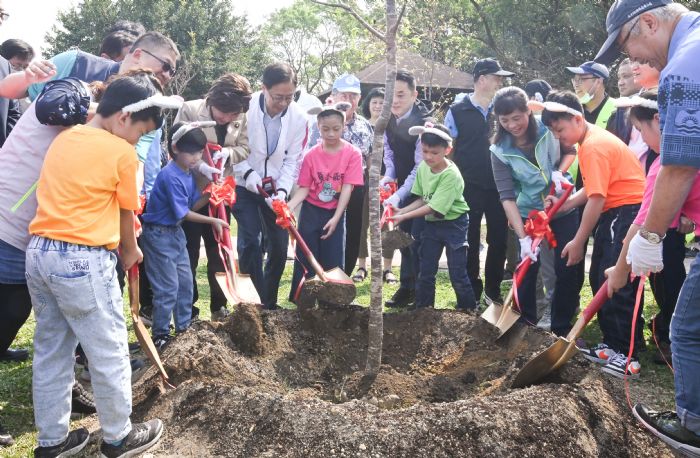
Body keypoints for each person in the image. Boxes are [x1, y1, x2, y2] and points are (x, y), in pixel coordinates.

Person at [0, 31, 180, 373]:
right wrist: (100, 113)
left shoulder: (131, 125)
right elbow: (48, 104)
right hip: (11, 214)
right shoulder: (76, 81)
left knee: (21, 310)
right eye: (165, 67)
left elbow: (132, 167)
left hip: (47, 226)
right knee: (11, 307)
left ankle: (70, 380)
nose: (168, 76)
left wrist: (128, 213)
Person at [25, 73, 167, 458]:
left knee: (52, 350)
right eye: (141, 132)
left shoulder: (65, 138)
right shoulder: (121, 152)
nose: (137, 141)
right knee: (108, 350)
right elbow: (126, 212)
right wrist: (131, 250)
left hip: (39, 253)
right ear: (123, 117)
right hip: (82, 259)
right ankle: (119, 437)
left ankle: (52, 443)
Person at [595, 0, 700, 451]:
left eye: (629, 47)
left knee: (687, 330)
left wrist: (651, 238)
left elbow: (680, 165)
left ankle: (694, 426)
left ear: (651, 22)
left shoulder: (685, 65)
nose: (635, 60)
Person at [540, 91, 646, 378]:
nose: (558, 136)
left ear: (577, 119)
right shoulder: (589, 141)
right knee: (600, 277)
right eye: (553, 132)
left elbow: (597, 199)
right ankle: (612, 344)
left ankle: (627, 354)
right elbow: (592, 189)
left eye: (560, 129)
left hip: (626, 211)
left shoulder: (593, 146)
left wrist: (578, 240)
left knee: (616, 279)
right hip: (617, 211)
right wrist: (565, 205)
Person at [605, 91, 692, 364]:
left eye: (640, 130)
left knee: (685, 331)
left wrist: (620, 270)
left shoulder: (666, 164)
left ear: (658, 120)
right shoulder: (690, 145)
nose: (641, 138)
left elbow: (643, 223)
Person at [490, 87, 581, 334]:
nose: (512, 125)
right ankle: (526, 325)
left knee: (565, 268)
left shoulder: (548, 128)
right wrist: (523, 239)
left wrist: (560, 172)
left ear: (528, 111)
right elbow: (507, 196)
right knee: (527, 269)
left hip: (561, 207)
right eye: (505, 120)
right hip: (529, 214)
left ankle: (561, 327)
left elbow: (571, 151)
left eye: (517, 117)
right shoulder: (499, 150)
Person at [141, 122, 229, 350]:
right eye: (191, 153)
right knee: (167, 287)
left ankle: (183, 328)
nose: (196, 157)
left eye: (199, 152)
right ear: (176, 149)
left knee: (186, 284)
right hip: (158, 235)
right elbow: (184, 213)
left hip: (175, 233)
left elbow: (191, 205)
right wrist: (213, 220)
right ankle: (161, 334)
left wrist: (211, 193)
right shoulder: (170, 175)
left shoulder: (187, 173)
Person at [175, 73, 252, 320]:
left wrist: (229, 153)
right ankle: (189, 310)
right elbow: (177, 147)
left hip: (220, 195)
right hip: (192, 194)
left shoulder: (241, 117)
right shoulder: (190, 110)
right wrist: (200, 166)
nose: (227, 118)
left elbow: (245, 148)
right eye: (223, 112)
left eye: (233, 114)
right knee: (189, 252)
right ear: (212, 100)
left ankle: (220, 307)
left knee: (219, 251)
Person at [232, 62, 307, 310]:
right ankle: (252, 304)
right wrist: (248, 174)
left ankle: (269, 302)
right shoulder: (245, 108)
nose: (283, 103)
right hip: (243, 184)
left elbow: (292, 159)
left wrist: (282, 191)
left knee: (279, 246)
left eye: (289, 97)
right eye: (278, 97)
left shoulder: (299, 117)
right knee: (251, 241)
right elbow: (233, 147)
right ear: (263, 88)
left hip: (275, 189)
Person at [445, 57, 513, 305]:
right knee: (469, 239)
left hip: (500, 186)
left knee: (499, 239)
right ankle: (472, 291)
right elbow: (448, 149)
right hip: (468, 186)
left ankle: (493, 291)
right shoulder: (456, 111)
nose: (500, 83)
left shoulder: (503, 109)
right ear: (482, 79)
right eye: (496, 78)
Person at [390, 123, 476, 310]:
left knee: (457, 272)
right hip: (432, 225)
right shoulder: (423, 167)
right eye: (425, 151)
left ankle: (468, 310)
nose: (428, 157)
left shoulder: (451, 175)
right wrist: (401, 211)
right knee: (425, 270)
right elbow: (423, 198)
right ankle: (424, 310)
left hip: (455, 225)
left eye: (434, 153)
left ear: (447, 150)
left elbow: (433, 207)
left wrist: (405, 217)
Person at [288, 104, 364, 298]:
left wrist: (336, 218)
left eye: (336, 129)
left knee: (333, 258)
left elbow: (347, 187)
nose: (331, 134)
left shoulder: (353, 153)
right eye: (325, 129)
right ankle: (303, 298)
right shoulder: (311, 155)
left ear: (344, 127)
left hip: (335, 211)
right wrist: (288, 207)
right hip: (311, 211)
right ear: (318, 127)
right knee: (306, 256)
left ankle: (333, 300)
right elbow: (304, 188)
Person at [308, 74, 373, 279]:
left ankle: (343, 278)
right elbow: (311, 155)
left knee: (353, 232)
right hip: (326, 187)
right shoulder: (321, 122)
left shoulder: (365, 125)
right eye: (344, 95)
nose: (348, 99)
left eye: (353, 95)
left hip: (356, 186)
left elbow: (370, 158)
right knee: (325, 230)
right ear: (334, 96)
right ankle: (320, 276)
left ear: (359, 99)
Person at [381, 69, 432, 308]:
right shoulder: (387, 119)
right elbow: (389, 155)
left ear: (414, 95)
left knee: (418, 241)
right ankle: (406, 288)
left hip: (423, 190)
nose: (395, 100)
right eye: (391, 94)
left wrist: (399, 196)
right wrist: (388, 179)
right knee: (403, 239)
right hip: (401, 186)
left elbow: (420, 168)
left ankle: (421, 294)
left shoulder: (424, 124)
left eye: (401, 94)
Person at [523, 78, 557, 329]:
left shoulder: (550, 132)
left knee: (549, 262)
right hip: (526, 206)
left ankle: (552, 307)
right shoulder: (511, 140)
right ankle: (531, 308)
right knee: (527, 260)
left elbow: (559, 163)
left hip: (551, 205)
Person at [355, 87, 396, 284]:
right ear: (368, 105)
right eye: (374, 102)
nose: (378, 106)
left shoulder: (392, 127)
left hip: (388, 182)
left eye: (382, 102)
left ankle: (387, 269)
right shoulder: (362, 127)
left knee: (388, 224)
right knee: (362, 224)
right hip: (364, 181)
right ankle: (361, 265)